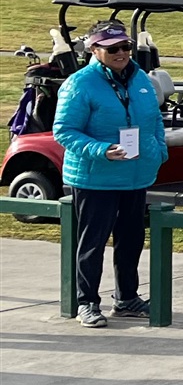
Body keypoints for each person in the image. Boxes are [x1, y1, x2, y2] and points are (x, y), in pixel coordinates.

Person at [53, 21, 167, 328]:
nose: (121, 54)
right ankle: (86, 302)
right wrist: (101, 150)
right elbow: (64, 131)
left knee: (131, 241)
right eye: (112, 48)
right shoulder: (80, 83)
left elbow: (155, 117)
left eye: (125, 47)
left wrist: (158, 150)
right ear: (94, 49)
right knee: (93, 242)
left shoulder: (140, 78)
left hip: (135, 175)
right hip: (96, 178)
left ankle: (127, 298)